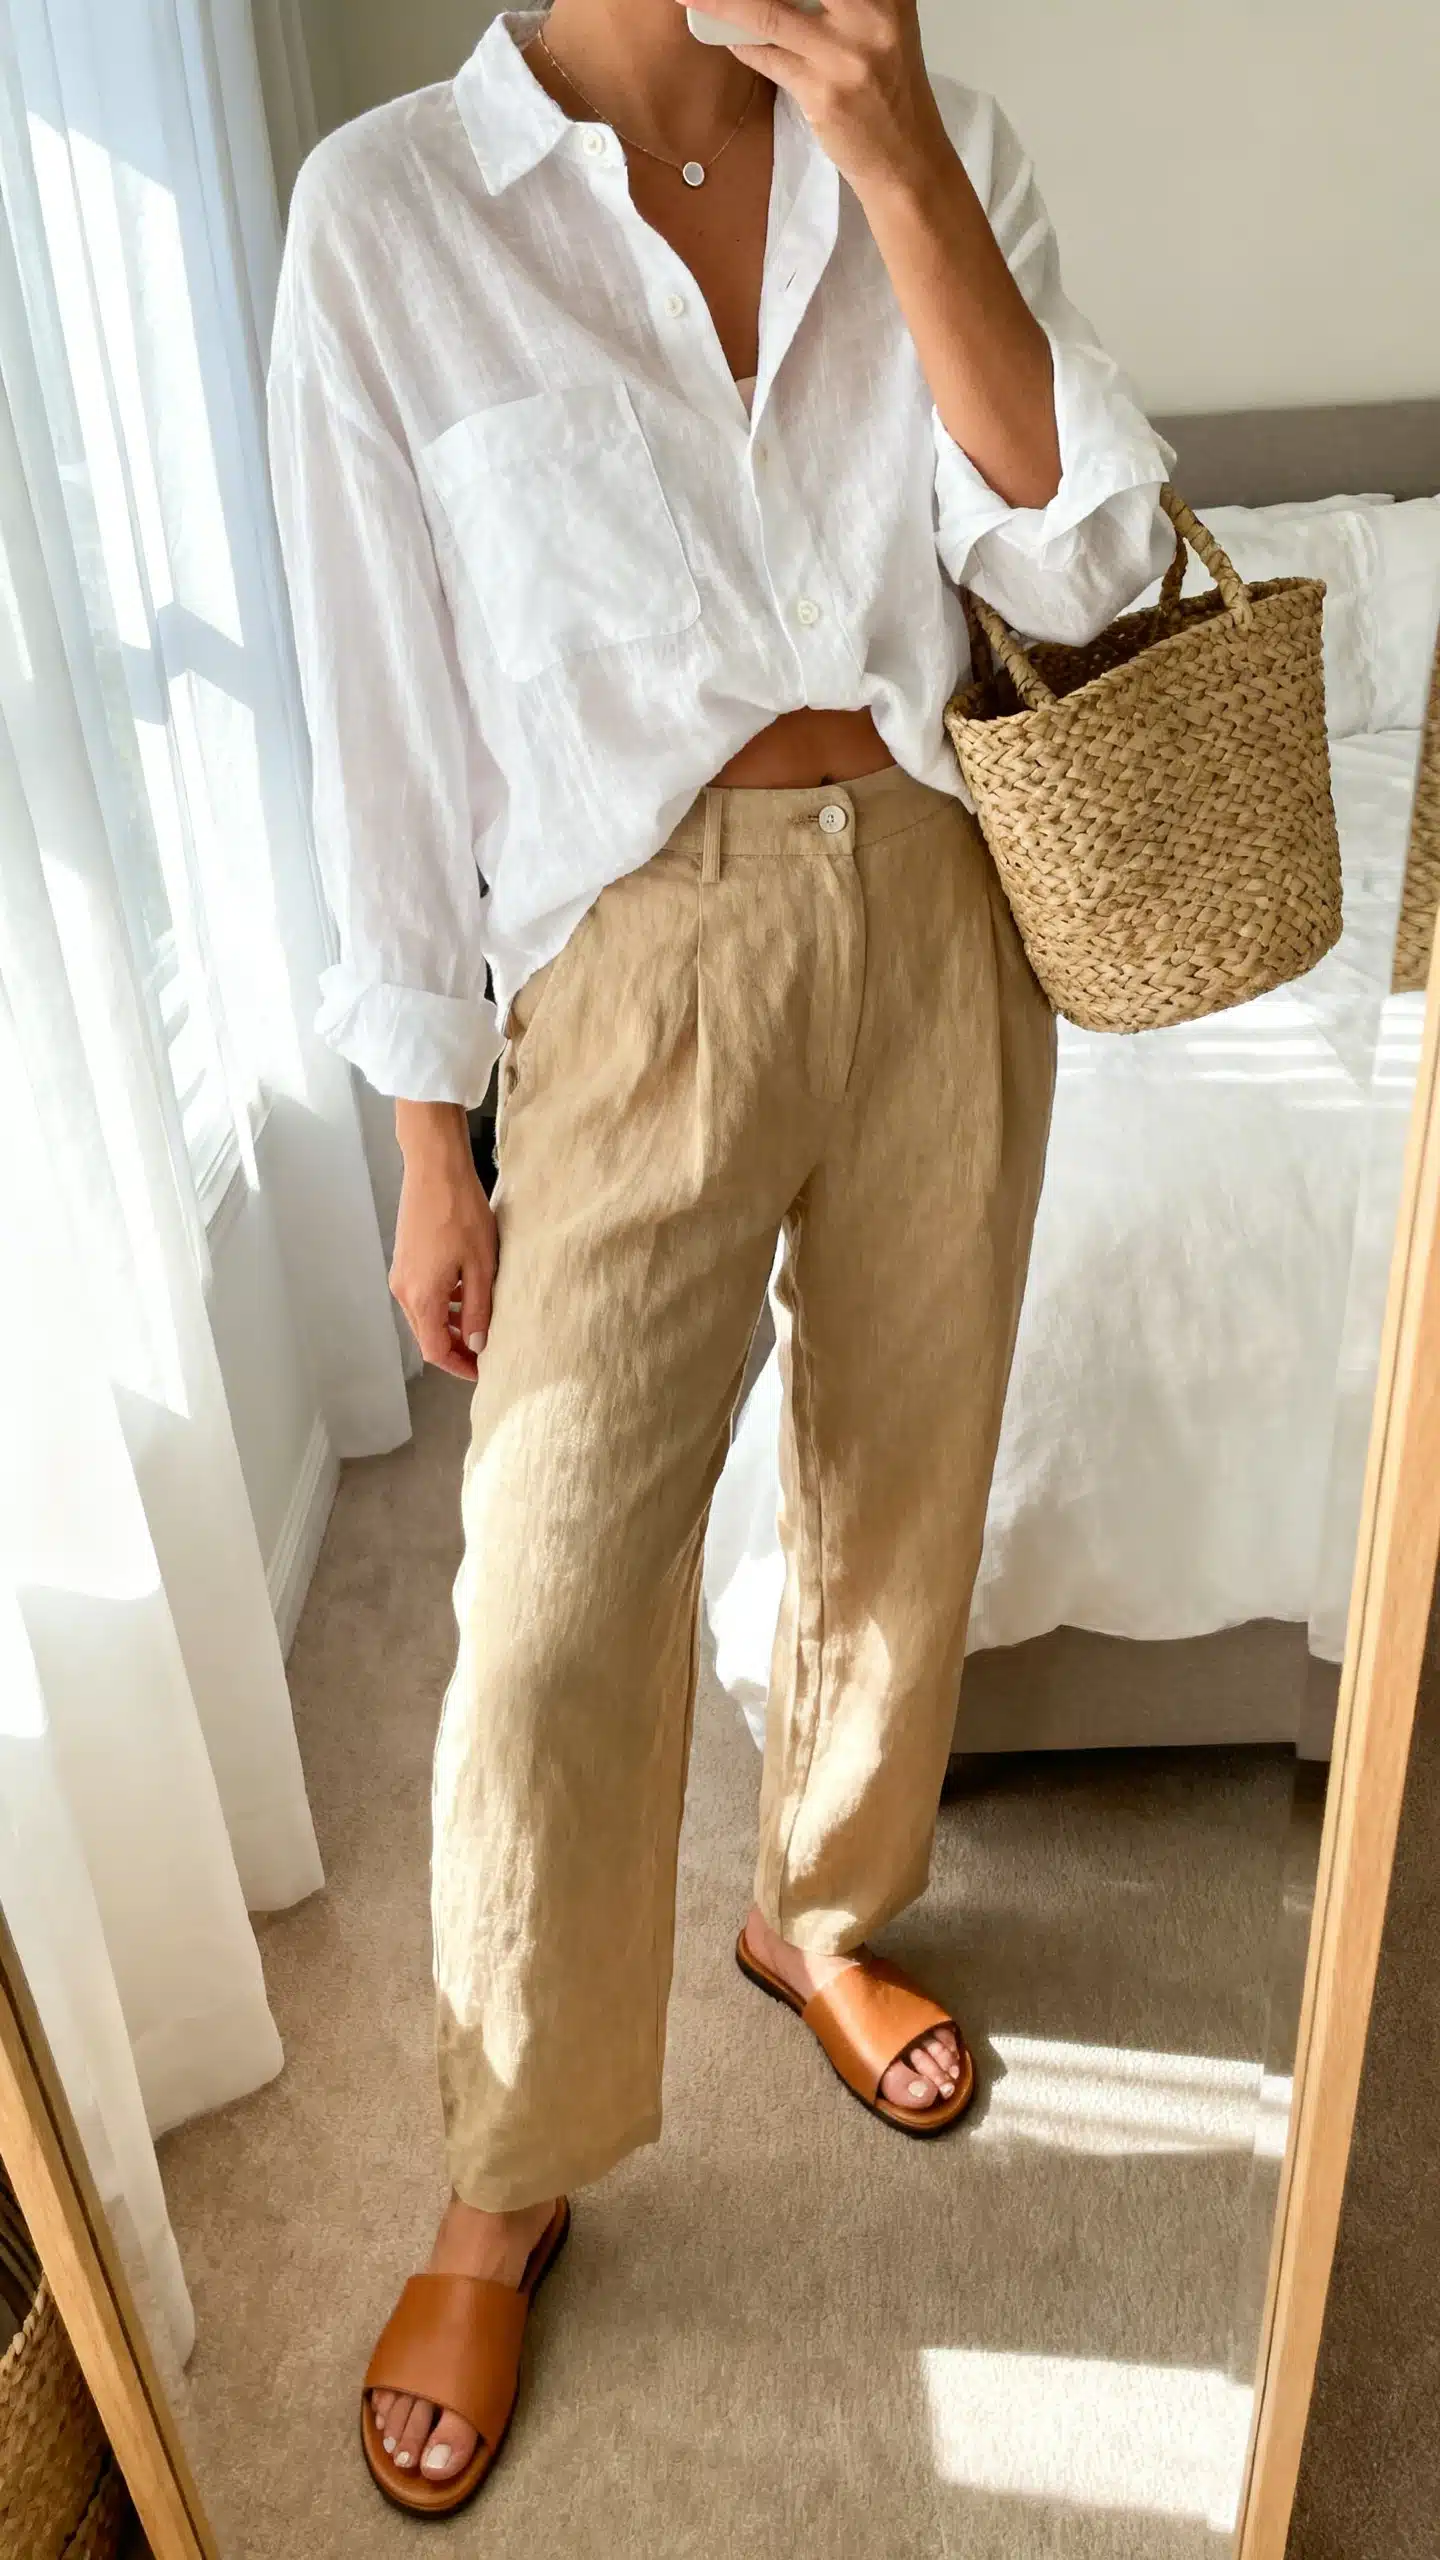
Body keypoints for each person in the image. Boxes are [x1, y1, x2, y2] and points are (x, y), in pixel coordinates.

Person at [265, 0, 1176, 2517]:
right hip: (630, 958)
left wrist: (890, 155)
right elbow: (385, 730)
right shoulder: (392, 219)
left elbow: (1087, 561)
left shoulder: (941, 137)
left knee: (905, 1487)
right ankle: (509, 2150)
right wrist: (429, 1136)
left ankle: (828, 1898)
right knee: (548, 1596)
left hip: (943, 903)